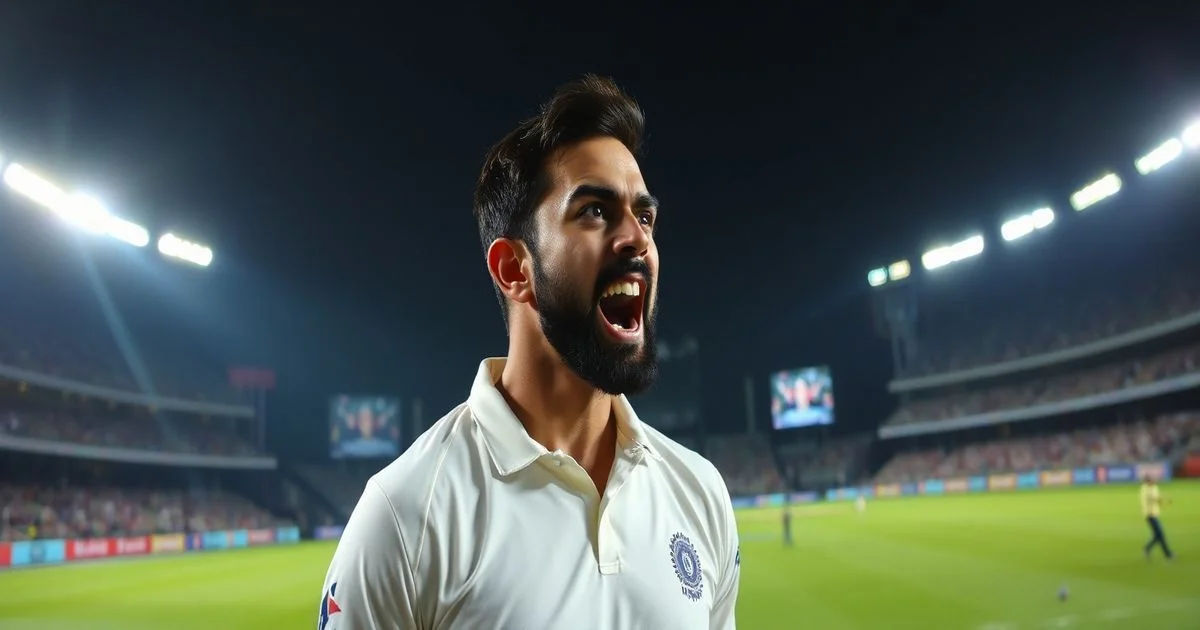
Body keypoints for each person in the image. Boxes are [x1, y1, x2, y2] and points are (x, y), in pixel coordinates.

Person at [319, 75, 740, 630]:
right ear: (514, 270)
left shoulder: (699, 491)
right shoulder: (406, 516)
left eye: (644, 216)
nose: (637, 238)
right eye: (593, 211)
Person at [1140, 474, 1173, 561]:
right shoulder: (1147, 490)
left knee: (1157, 535)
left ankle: (1146, 549)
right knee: (1160, 535)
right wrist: (1167, 501)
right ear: (1147, 482)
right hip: (1150, 515)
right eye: (1152, 480)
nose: (1154, 481)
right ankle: (1168, 554)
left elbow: (1158, 496)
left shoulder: (1151, 487)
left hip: (1154, 515)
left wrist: (1165, 500)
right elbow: (1157, 499)